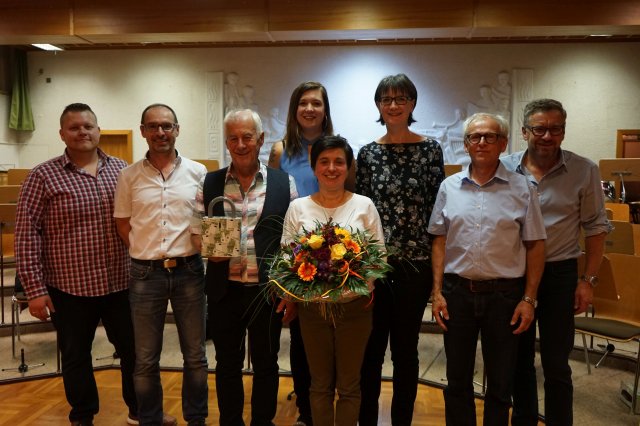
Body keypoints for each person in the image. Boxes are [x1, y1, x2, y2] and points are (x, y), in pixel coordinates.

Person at [14, 103, 139, 426]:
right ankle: (82, 415)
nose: (82, 132)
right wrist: (35, 290)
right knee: (75, 356)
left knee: (133, 352)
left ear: (98, 131)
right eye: (74, 127)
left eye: (88, 126)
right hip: (69, 287)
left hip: (119, 283)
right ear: (62, 134)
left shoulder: (122, 170)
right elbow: (27, 236)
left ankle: (139, 410)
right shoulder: (42, 176)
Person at [428, 112, 547, 425]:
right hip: (457, 294)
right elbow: (439, 240)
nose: (481, 142)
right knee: (457, 381)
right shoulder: (448, 187)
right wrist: (437, 291)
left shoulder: (524, 189)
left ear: (503, 143)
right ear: (466, 144)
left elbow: (535, 245)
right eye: (474, 137)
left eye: (489, 136)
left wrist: (529, 299)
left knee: (500, 384)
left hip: (505, 297)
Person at [502, 99, 610, 425]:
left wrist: (587, 281)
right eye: (539, 128)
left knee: (556, 363)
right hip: (515, 274)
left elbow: (595, 229)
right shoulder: (504, 168)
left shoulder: (584, 170)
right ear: (525, 132)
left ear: (563, 131)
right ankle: (523, 419)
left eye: (555, 129)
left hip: (560, 274)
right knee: (519, 360)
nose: (547, 136)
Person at [195, 109, 297, 426]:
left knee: (266, 364)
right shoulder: (209, 181)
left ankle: (262, 422)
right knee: (226, 364)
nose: (240, 144)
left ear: (261, 140)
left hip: (267, 292)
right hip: (224, 291)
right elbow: (196, 233)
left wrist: (291, 291)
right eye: (233, 138)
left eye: (247, 137)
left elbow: (295, 241)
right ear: (227, 142)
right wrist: (211, 250)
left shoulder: (284, 182)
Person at [357, 73, 445, 426]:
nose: (393, 105)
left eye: (401, 99)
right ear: (378, 105)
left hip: (416, 266)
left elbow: (438, 211)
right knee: (372, 351)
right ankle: (366, 420)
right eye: (386, 99)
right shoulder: (367, 154)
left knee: (406, 352)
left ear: (413, 104)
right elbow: (360, 212)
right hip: (376, 266)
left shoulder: (430, 150)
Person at [114, 103, 208, 426]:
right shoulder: (128, 176)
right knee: (145, 359)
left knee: (195, 357)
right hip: (145, 274)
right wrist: (147, 250)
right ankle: (150, 420)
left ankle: (196, 418)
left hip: (190, 272)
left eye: (167, 126)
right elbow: (123, 224)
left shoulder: (198, 173)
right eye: (153, 126)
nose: (160, 132)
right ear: (143, 131)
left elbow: (205, 222)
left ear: (177, 129)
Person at [281, 135, 385, 426]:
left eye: (339, 162)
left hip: (355, 309)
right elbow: (287, 258)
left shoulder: (364, 206)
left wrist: (350, 277)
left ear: (349, 167)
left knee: (350, 386)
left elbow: (379, 260)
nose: (331, 168)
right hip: (312, 310)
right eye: (324, 162)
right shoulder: (298, 208)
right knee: (319, 384)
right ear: (314, 168)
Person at [267, 80, 344, 426]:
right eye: (303, 103)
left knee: (334, 335)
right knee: (300, 337)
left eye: (317, 103)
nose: (310, 109)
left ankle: (331, 403)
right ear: (294, 110)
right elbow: (276, 203)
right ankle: (306, 411)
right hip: (298, 254)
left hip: (336, 254)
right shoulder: (281, 150)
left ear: (325, 110)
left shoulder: (336, 148)